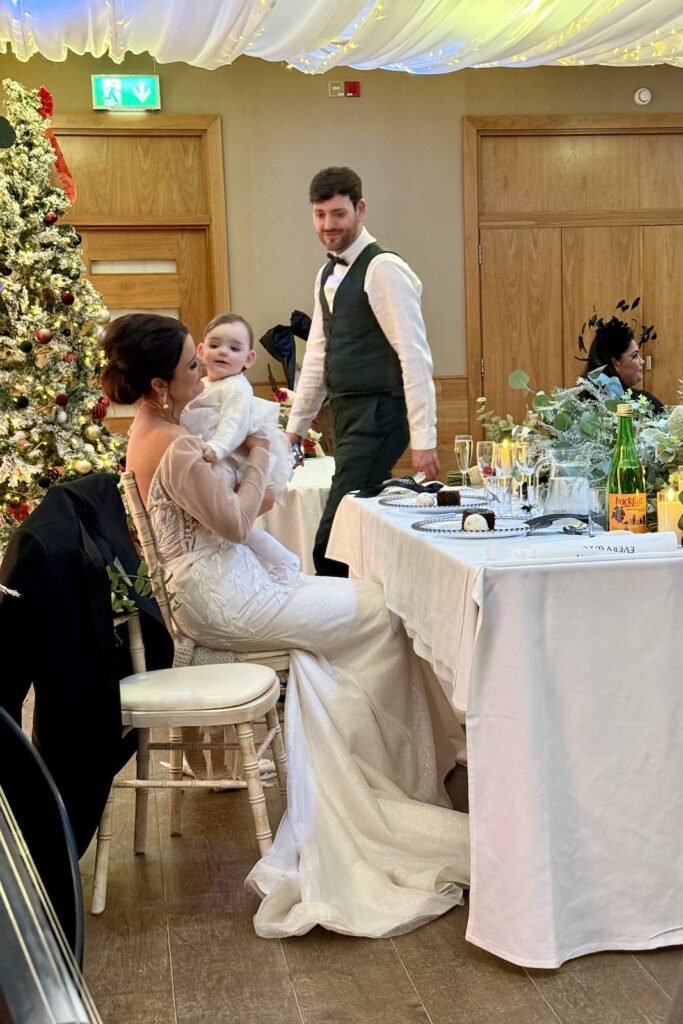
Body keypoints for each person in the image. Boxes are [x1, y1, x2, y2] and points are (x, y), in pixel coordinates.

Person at [100, 312, 469, 939]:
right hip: (222, 597)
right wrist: (262, 454)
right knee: (386, 612)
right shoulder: (175, 444)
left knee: (363, 613)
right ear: (161, 384)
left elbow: (237, 511)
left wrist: (250, 470)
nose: (203, 370)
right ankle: (386, 780)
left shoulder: (153, 428)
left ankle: (380, 764)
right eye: (191, 364)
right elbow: (238, 524)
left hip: (221, 584)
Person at [286, 166, 440, 576]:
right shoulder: (325, 274)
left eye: (338, 214)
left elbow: (415, 356)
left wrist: (424, 440)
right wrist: (295, 428)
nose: (328, 225)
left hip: (381, 413)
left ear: (360, 209)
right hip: (347, 414)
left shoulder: (383, 268)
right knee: (360, 528)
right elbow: (317, 352)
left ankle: (334, 632)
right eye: (320, 215)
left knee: (330, 541)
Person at [180, 313, 292, 502]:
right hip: (202, 453)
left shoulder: (237, 387)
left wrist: (217, 448)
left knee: (218, 500)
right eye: (214, 345)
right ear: (200, 351)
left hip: (229, 458)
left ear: (249, 358)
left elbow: (235, 423)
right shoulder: (203, 383)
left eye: (234, 348)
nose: (223, 352)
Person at [585, 317, 664, 413]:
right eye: (634, 355)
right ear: (615, 363)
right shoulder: (642, 404)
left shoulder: (580, 403)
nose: (642, 361)